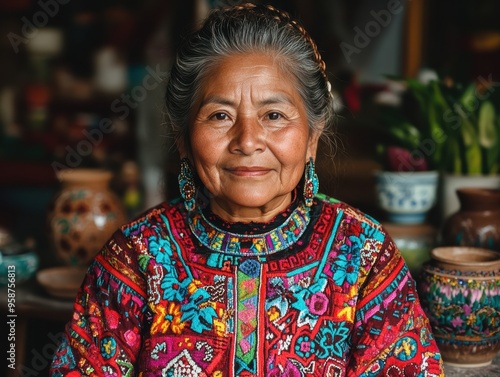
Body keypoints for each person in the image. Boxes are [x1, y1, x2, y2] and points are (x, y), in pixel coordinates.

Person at [50, 3, 444, 376]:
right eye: (220, 115)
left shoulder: (364, 254)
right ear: (184, 138)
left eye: (274, 115)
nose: (248, 140)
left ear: (312, 136)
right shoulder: (136, 257)